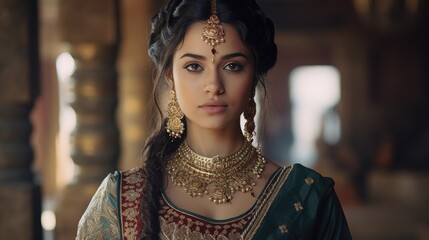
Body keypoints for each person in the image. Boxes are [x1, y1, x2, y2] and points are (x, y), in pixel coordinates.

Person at [76, 0, 352, 239]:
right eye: (194, 66)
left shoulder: (307, 199)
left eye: (233, 66)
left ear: (254, 75)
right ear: (171, 77)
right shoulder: (120, 199)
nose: (213, 85)